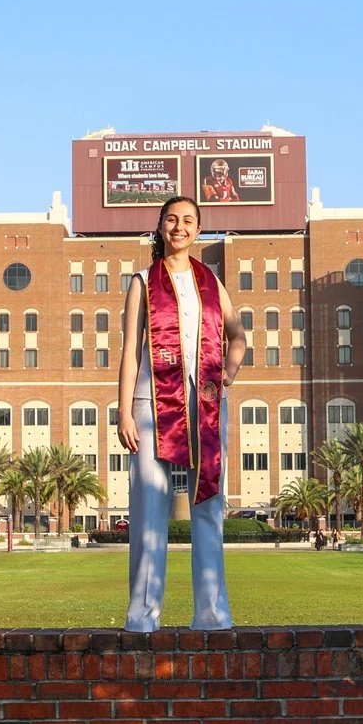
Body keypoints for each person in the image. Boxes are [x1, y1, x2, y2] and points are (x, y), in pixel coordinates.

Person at [117, 195, 240, 632]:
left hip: (204, 403)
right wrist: (123, 411)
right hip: (152, 404)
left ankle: (212, 614)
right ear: (161, 227)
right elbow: (132, 350)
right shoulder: (142, 281)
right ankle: (142, 619)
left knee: (207, 505)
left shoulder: (212, 282)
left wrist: (230, 369)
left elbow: (238, 334)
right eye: (172, 219)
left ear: (199, 229)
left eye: (188, 220)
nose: (180, 227)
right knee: (150, 511)